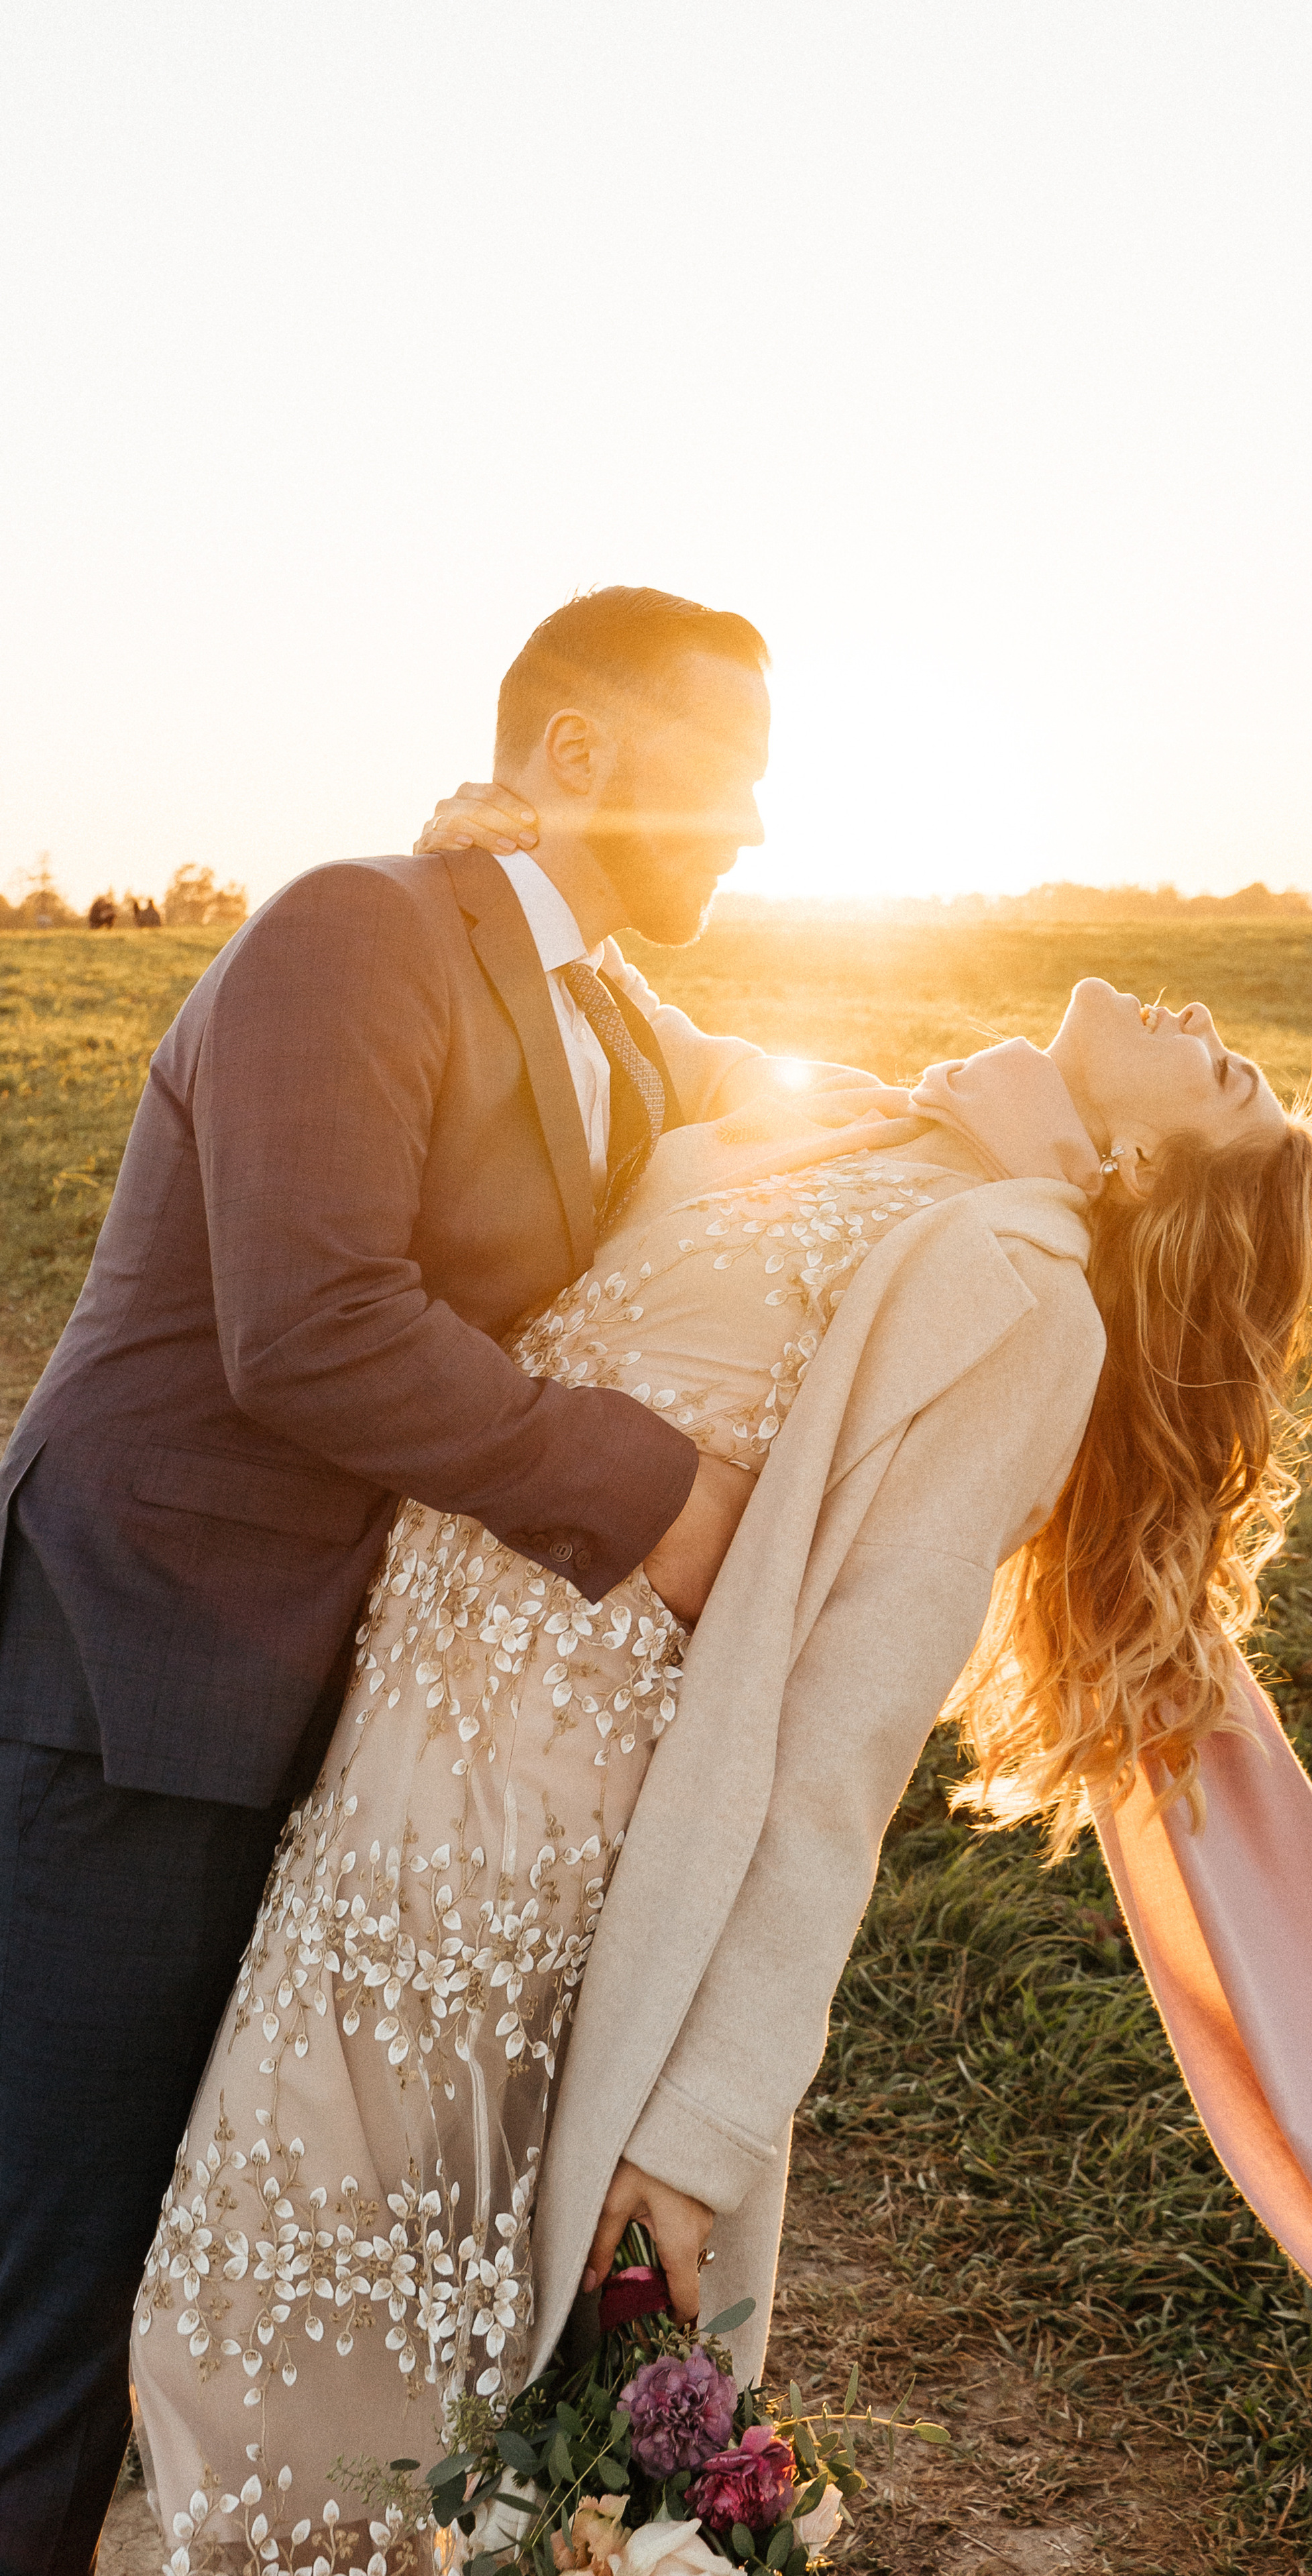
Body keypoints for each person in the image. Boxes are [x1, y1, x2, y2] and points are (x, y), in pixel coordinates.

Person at [127, 957, 1312, 2569]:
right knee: (233, 2303)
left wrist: (704, 2123)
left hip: (536, 1851)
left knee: (344, 2383)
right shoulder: (888, 1125)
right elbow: (667, 1048)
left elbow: (848, 1737)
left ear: (1142, 1174)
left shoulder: (1027, 1294)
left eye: (1223, 1073)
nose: (1200, 1018)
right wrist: (528, 886)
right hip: (393, 1763)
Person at [0, 588, 840, 2576]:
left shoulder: (616, 1012)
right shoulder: (352, 929)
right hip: (138, 1679)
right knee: (48, 2296)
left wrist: (1062, 1126)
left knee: (192, 2266)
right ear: (574, 756)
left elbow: (799, 1103)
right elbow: (313, 1327)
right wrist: (660, 1499)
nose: (754, 828)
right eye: (730, 776)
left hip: (316, 1714)